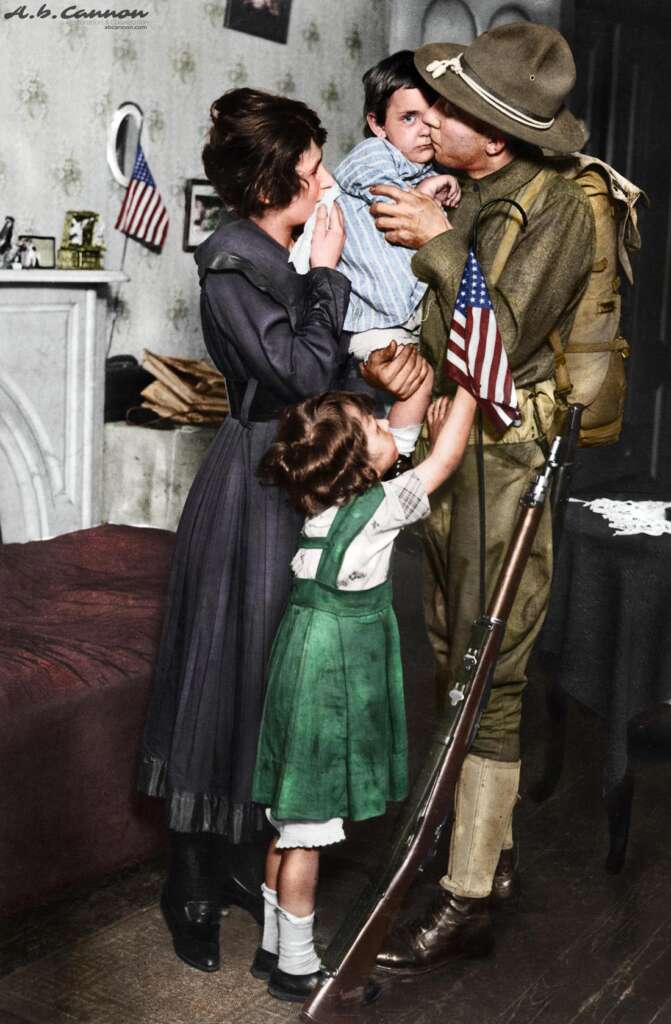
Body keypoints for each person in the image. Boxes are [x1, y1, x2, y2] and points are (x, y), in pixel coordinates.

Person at [137, 87, 430, 974]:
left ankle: (236, 860)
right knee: (225, 669)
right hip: (257, 483)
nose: (325, 181)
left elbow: (325, 360)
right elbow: (300, 371)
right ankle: (187, 880)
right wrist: (329, 273)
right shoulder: (232, 261)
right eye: (311, 171)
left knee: (275, 671)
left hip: (300, 476)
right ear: (275, 183)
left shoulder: (275, 247)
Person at [362, 24, 596, 973]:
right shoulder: (487, 188)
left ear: (493, 137)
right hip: (460, 460)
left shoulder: (563, 211)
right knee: (447, 651)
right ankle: (475, 861)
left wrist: (437, 240)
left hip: (507, 462)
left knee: (488, 668)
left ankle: (466, 897)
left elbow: (492, 345)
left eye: (448, 110)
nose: (432, 121)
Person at [250, 385, 477, 1002]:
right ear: (358, 467)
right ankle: (297, 965)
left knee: (289, 818)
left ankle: (271, 945)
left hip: (297, 659)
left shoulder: (326, 499)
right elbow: (444, 459)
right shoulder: (377, 507)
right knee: (308, 828)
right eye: (372, 424)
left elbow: (397, 439)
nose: (386, 422)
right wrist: (470, 392)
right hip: (329, 677)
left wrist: (407, 412)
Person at [333, 50, 461, 473]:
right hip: (370, 318)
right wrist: (426, 192)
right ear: (377, 124)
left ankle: (392, 449)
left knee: (417, 380)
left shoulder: (424, 166)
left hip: (397, 315)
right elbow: (381, 190)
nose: (424, 129)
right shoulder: (374, 157)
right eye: (408, 118)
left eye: (432, 115)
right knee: (417, 381)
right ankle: (397, 458)